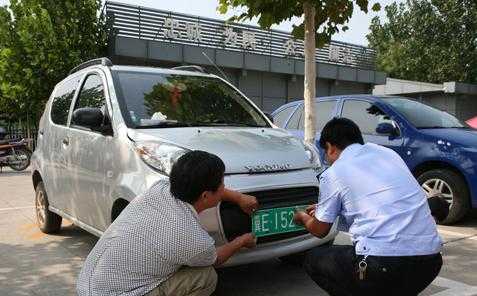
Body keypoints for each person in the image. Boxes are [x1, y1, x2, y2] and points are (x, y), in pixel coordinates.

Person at [293, 117, 443, 296]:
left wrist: (302, 217)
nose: (327, 158)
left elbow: (320, 230)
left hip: (383, 264)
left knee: (313, 259)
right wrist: (325, 207)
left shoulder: (334, 173)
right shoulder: (387, 154)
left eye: (325, 152)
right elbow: (378, 200)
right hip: (430, 262)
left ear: (330, 147)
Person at [77, 150, 258, 296]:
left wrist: (239, 197)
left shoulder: (160, 187)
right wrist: (241, 241)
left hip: (87, 285)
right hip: (120, 293)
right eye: (222, 184)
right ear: (205, 195)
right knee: (206, 277)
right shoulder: (190, 237)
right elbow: (216, 258)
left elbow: (209, 191)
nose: (224, 187)